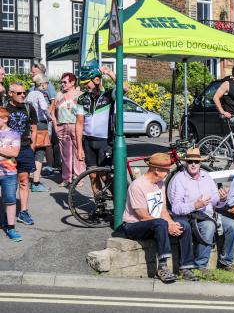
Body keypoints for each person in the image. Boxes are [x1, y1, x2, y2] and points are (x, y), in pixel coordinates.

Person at [122, 153, 192, 283]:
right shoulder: (137, 186)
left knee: (184, 225)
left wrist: (171, 223)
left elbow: (162, 209)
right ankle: (163, 268)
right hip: (134, 225)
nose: (168, 172)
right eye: (166, 170)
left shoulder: (160, 184)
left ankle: (185, 268)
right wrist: (166, 225)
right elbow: (142, 216)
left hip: (155, 224)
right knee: (160, 223)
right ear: (156, 170)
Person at [168, 147, 234, 273]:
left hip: (209, 214)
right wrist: (195, 205)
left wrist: (222, 199)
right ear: (186, 163)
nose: (193, 164)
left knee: (232, 225)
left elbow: (215, 202)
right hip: (191, 217)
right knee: (209, 226)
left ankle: (226, 261)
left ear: (200, 163)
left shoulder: (206, 176)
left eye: (196, 161)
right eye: (190, 162)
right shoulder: (179, 179)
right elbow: (176, 208)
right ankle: (201, 264)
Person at [76, 65, 122, 198]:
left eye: (87, 83)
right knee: (92, 175)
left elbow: (124, 88)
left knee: (104, 175)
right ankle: (99, 205)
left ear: (96, 80)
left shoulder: (108, 95)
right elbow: (79, 123)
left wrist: (110, 73)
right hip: (89, 142)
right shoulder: (82, 98)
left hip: (105, 141)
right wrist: (79, 147)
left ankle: (118, 204)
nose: (85, 86)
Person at [6, 82, 37, 226]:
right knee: (8, 183)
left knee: (24, 181)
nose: (23, 95)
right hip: (8, 151)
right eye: (19, 93)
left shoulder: (29, 108)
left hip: (25, 149)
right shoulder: (4, 108)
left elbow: (34, 128)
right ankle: (7, 212)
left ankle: (23, 212)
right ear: (10, 93)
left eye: (24, 92)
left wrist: (32, 147)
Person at [50, 72, 85, 187]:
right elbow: (51, 111)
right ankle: (66, 178)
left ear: (72, 82)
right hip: (62, 126)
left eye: (65, 82)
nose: (63, 84)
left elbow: (85, 113)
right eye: (62, 82)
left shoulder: (80, 94)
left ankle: (79, 177)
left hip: (75, 125)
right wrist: (55, 124)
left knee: (77, 151)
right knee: (65, 154)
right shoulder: (59, 94)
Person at [25, 74, 51, 192]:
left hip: (30, 124)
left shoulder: (30, 93)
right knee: (40, 153)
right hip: (40, 124)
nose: (47, 85)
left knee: (31, 149)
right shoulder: (41, 94)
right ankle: (36, 182)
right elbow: (45, 108)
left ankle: (27, 179)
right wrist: (51, 118)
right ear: (42, 84)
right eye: (46, 83)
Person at [0, 107, 22, 241]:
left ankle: (11, 227)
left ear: (4, 119)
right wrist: (5, 151)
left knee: (10, 200)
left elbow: (14, 153)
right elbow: (9, 152)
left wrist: (7, 151)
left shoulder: (14, 134)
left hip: (9, 172)